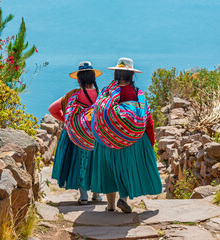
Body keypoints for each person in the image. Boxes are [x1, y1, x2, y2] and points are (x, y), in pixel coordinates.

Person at [90, 57, 162, 213]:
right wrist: (150, 143)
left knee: (109, 172)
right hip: (132, 142)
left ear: (116, 73)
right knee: (127, 171)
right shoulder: (137, 94)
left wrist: (100, 136)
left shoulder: (106, 92)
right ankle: (123, 200)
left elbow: (96, 115)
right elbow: (147, 121)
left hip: (107, 142)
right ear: (132, 75)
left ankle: (110, 206)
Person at [49, 61, 102, 205]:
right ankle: (97, 194)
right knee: (96, 162)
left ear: (78, 80)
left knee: (81, 162)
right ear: (93, 79)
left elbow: (52, 109)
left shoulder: (73, 96)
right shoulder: (101, 96)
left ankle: (83, 195)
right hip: (97, 137)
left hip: (77, 137)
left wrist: (69, 122)